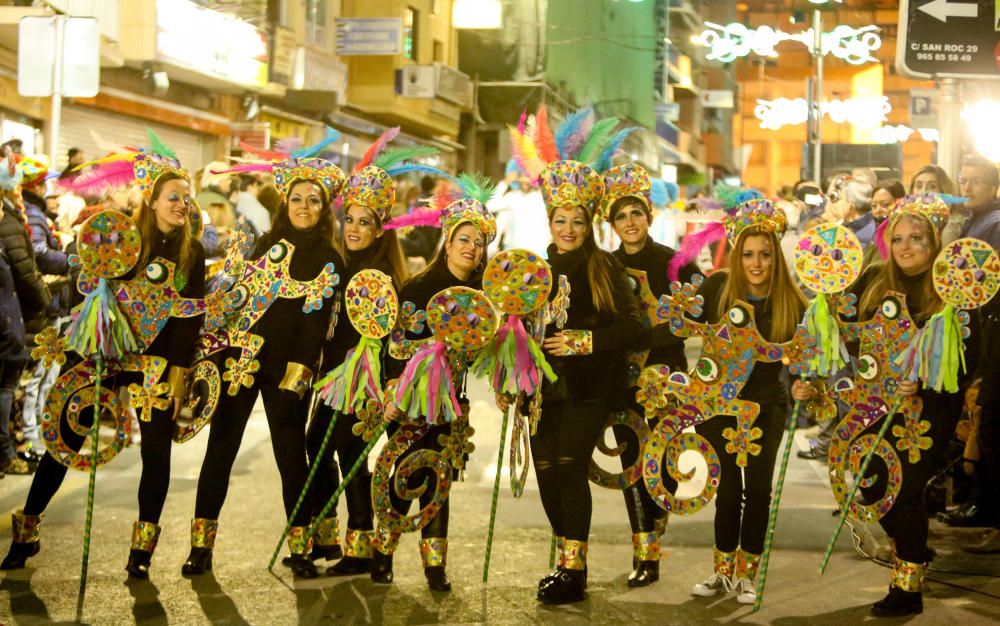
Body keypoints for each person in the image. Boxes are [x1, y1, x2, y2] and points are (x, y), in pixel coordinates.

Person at [2, 145, 206, 578]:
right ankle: (27, 532)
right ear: (150, 200)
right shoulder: (115, 236)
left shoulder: (192, 253)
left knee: (156, 455)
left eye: (186, 198)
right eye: (173, 196)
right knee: (64, 439)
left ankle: (141, 552)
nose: (182, 205)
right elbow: (85, 294)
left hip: (155, 362)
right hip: (104, 354)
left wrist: (177, 374)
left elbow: (191, 317)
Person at [181, 158, 345, 580]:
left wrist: (300, 372)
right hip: (241, 359)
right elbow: (236, 300)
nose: (304, 206)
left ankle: (302, 547)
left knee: (291, 456)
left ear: (324, 208)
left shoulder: (329, 257)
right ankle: (201, 547)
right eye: (296, 199)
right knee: (220, 450)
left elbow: (316, 321)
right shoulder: (264, 244)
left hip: (287, 370)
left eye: (313, 200)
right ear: (284, 203)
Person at [846, 195, 975, 616]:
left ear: (934, 242)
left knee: (903, 491)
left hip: (929, 410)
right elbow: (842, 328)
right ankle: (913, 547)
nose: (905, 247)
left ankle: (908, 585)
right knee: (871, 484)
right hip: (877, 403)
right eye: (897, 238)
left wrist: (924, 379)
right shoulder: (873, 281)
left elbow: (970, 357)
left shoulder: (952, 290)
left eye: (916, 238)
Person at [371, 173, 498, 592]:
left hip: (450, 404)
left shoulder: (483, 296)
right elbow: (394, 350)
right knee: (400, 476)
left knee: (439, 480)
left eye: (479, 244)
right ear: (448, 242)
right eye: (464, 240)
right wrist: (392, 394)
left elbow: (492, 351)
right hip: (408, 400)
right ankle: (382, 553)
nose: (471, 249)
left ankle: (434, 566)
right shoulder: (419, 288)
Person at [684, 197, 808, 605]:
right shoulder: (717, 286)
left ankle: (747, 574)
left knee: (757, 490)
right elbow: (678, 327)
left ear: (776, 257)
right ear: (738, 256)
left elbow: (812, 358)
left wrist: (804, 385)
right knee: (726, 489)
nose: (756, 264)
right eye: (749, 255)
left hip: (765, 408)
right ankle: (722, 573)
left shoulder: (793, 301)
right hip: (719, 407)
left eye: (765, 255)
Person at [299, 143, 411, 576]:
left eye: (365, 223)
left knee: (345, 453)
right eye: (350, 219)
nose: (354, 228)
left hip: (362, 381)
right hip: (332, 376)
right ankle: (340, 537)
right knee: (329, 451)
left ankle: (359, 543)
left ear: (381, 230)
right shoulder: (340, 263)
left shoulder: (381, 273)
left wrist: (380, 383)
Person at [601, 163, 698, 587]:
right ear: (612, 224)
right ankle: (646, 554)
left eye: (636, 213)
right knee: (632, 468)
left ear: (649, 216)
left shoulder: (674, 261)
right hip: (622, 379)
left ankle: (657, 517)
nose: (630, 222)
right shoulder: (604, 267)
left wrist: (655, 332)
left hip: (666, 378)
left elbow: (702, 311)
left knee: (665, 467)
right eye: (621, 216)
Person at [0, 151, 50, 477]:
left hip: (13, 318)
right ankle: (12, 450)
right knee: (13, 389)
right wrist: (45, 295)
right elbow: (25, 268)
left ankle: (15, 447)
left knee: (18, 387)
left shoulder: (13, 217)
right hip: (10, 321)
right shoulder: (12, 220)